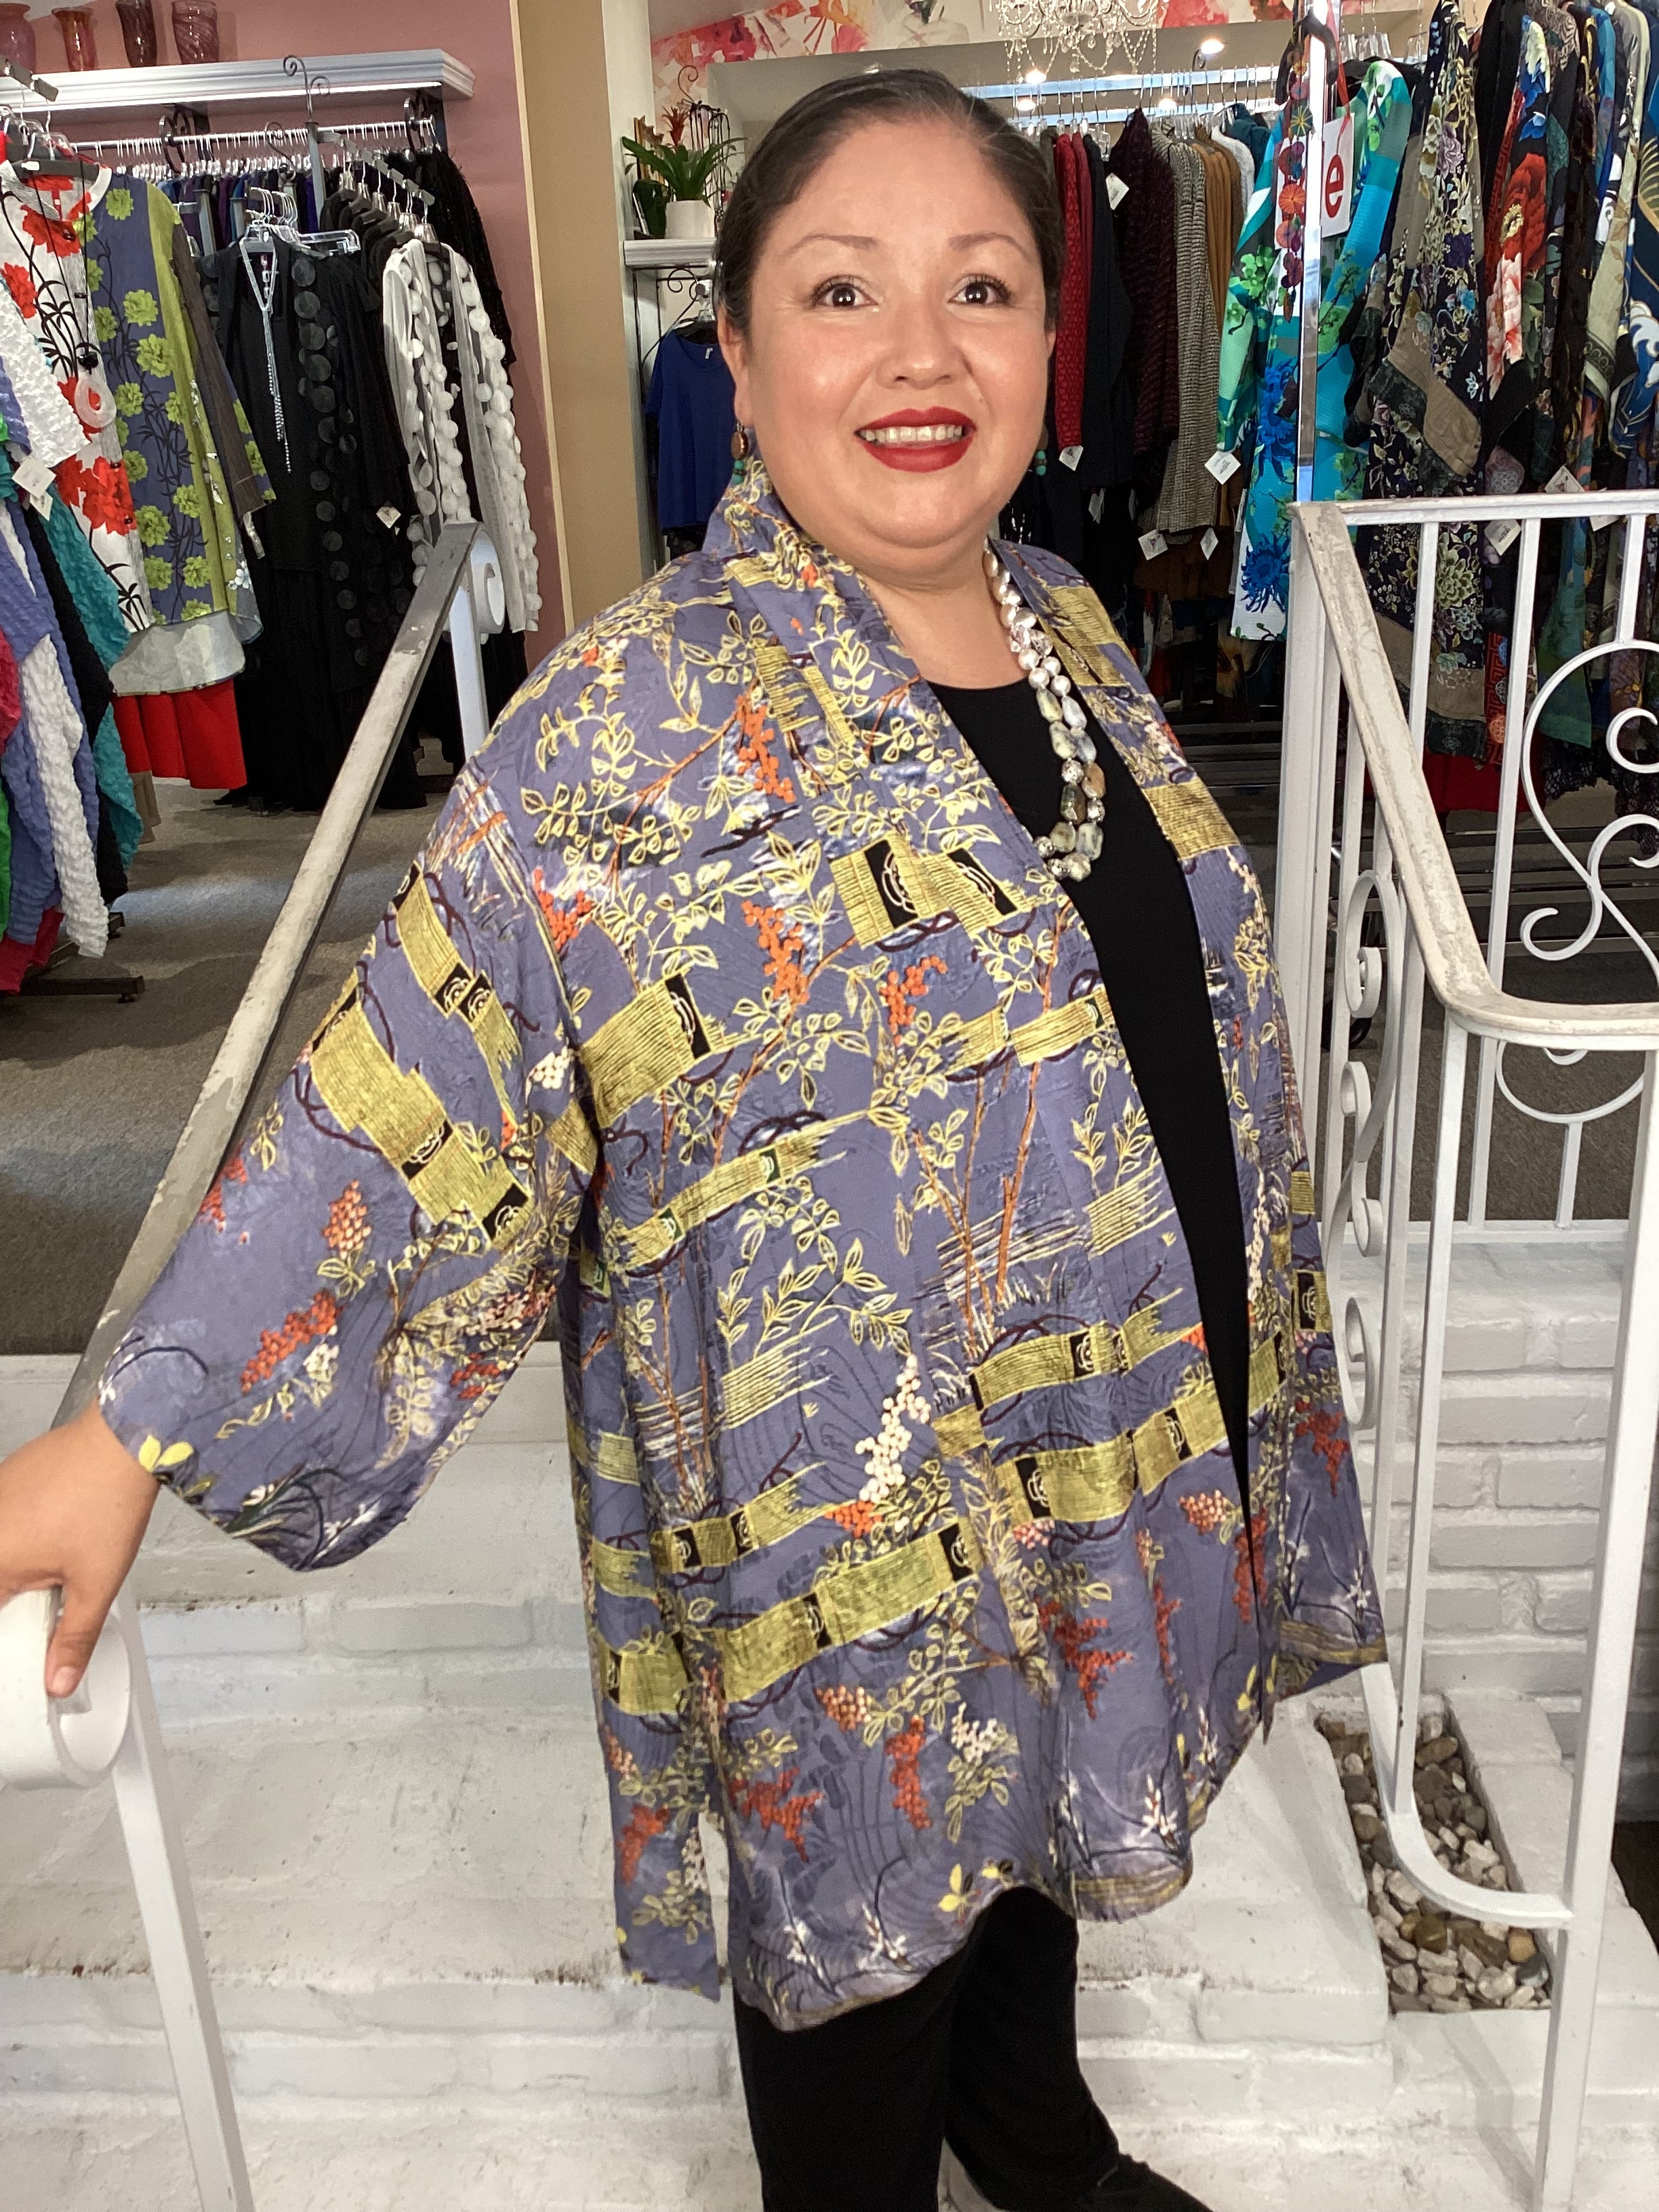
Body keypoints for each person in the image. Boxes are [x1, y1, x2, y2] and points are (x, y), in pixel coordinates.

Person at [0, 70, 1384, 2212]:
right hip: (847, 1537)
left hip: (1106, 1429)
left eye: (981, 289)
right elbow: (414, 1085)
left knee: (1036, 1859)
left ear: (1049, 338)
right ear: (734, 354)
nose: (920, 354)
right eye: (843, 292)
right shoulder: (626, 729)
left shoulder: (1073, 628)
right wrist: (125, 1435)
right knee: (865, 1967)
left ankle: (1037, 2141)